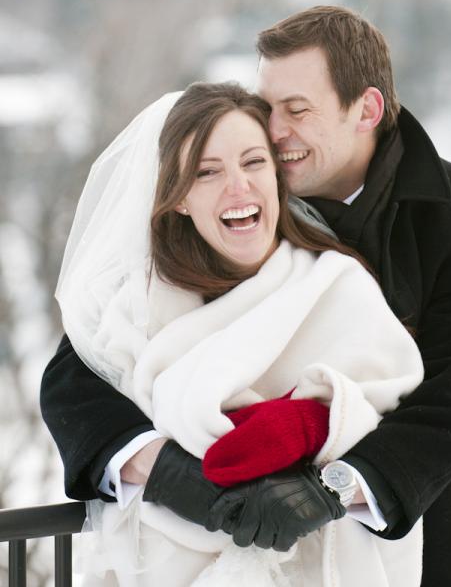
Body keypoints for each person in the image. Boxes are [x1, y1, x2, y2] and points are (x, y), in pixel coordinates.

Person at [42, 5, 451, 586]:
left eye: (297, 110)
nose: (273, 132)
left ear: (365, 109)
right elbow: (79, 375)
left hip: (425, 523)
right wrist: (165, 471)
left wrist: (339, 486)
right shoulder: (245, 202)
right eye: (268, 108)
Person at [53, 81, 424, 586]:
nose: (238, 187)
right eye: (207, 172)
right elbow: (73, 395)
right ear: (179, 197)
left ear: (277, 177)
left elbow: (400, 409)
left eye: (254, 163)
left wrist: (316, 428)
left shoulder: (338, 286)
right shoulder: (133, 303)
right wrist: (165, 472)